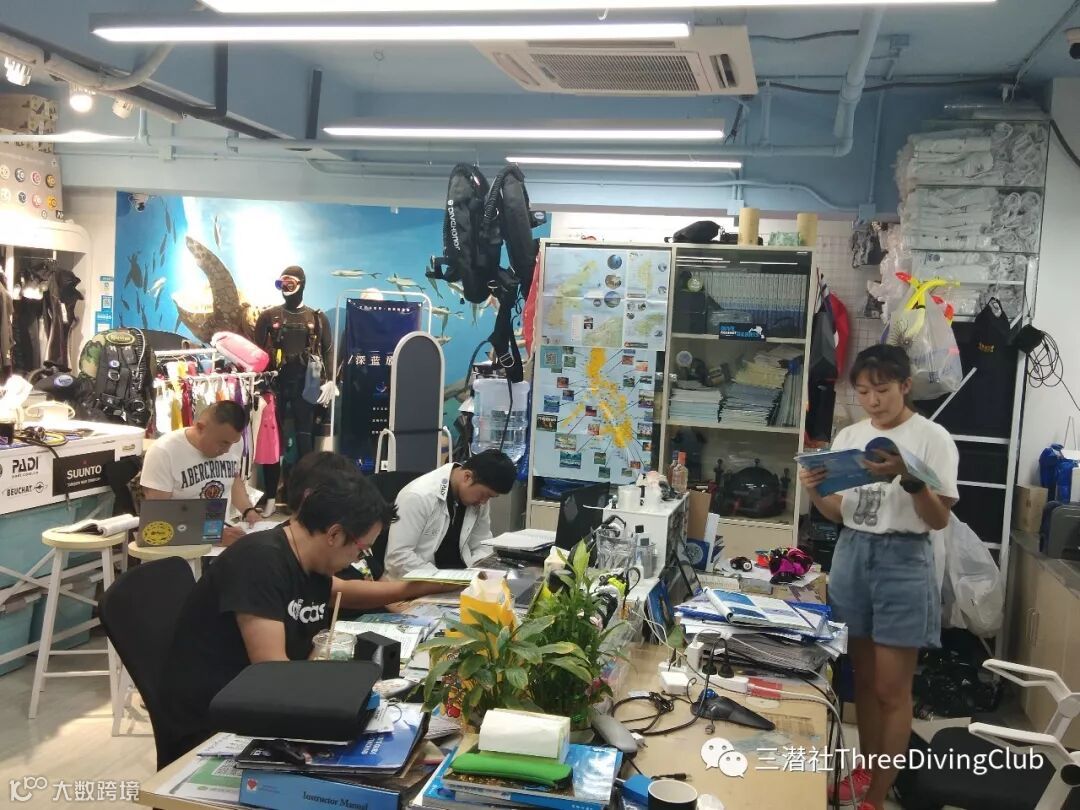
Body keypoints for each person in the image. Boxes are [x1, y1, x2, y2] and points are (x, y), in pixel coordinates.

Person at [797, 345, 958, 810]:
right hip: (852, 555)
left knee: (892, 689)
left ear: (905, 386)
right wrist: (815, 492)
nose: (872, 401)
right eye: (864, 392)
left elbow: (938, 519)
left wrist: (910, 478)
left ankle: (879, 794)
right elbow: (839, 512)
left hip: (903, 561)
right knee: (861, 683)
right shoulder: (851, 435)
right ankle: (865, 773)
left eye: (882, 390)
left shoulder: (932, 438)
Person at [157, 466, 394, 765]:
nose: (358, 560)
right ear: (334, 534)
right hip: (214, 727)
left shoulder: (310, 559)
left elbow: (344, 592)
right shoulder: (259, 562)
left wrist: (420, 587)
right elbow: (274, 675)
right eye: (362, 550)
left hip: (257, 705)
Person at [287, 450, 463, 607]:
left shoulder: (348, 538)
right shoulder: (294, 556)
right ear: (310, 498)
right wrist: (435, 584)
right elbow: (343, 590)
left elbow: (382, 586)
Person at [383, 449, 516, 578]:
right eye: (484, 494)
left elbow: (481, 544)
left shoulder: (478, 501)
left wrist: (479, 572)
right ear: (467, 477)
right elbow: (398, 558)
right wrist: (444, 580)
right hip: (417, 582)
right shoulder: (418, 496)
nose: (484, 502)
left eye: (490, 497)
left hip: (460, 580)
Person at [140, 401, 257, 546]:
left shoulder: (233, 442)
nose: (227, 450)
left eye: (232, 443)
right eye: (223, 443)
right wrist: (211, 536)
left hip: (220, 541)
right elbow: (157, 518)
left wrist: (248, 510)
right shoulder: (164, 452)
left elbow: (233, 479)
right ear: (201, 427)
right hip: (180, 548)